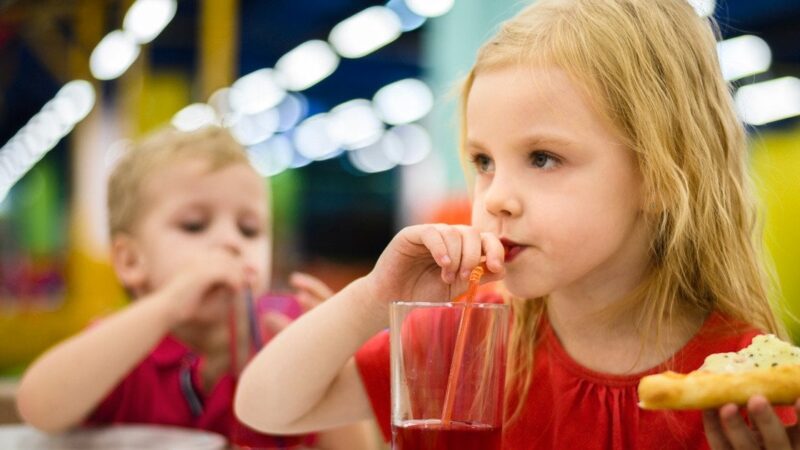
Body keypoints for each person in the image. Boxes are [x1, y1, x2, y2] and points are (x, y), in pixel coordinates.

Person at [234, 0, 800, 448]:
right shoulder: (469, 346)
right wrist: (374, 298)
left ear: (659, 172)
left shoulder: (740, 379)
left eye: (543, 158)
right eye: (483, 161)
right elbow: (266, 406)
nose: (496, 197)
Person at [16, 126, 374, 449]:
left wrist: (333, 361)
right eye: (194, 225)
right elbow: (38, 407)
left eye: (249, 229)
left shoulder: (289, 334)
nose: (230, 242)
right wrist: (169, 303)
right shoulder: (118, 351)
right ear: (130, 261)